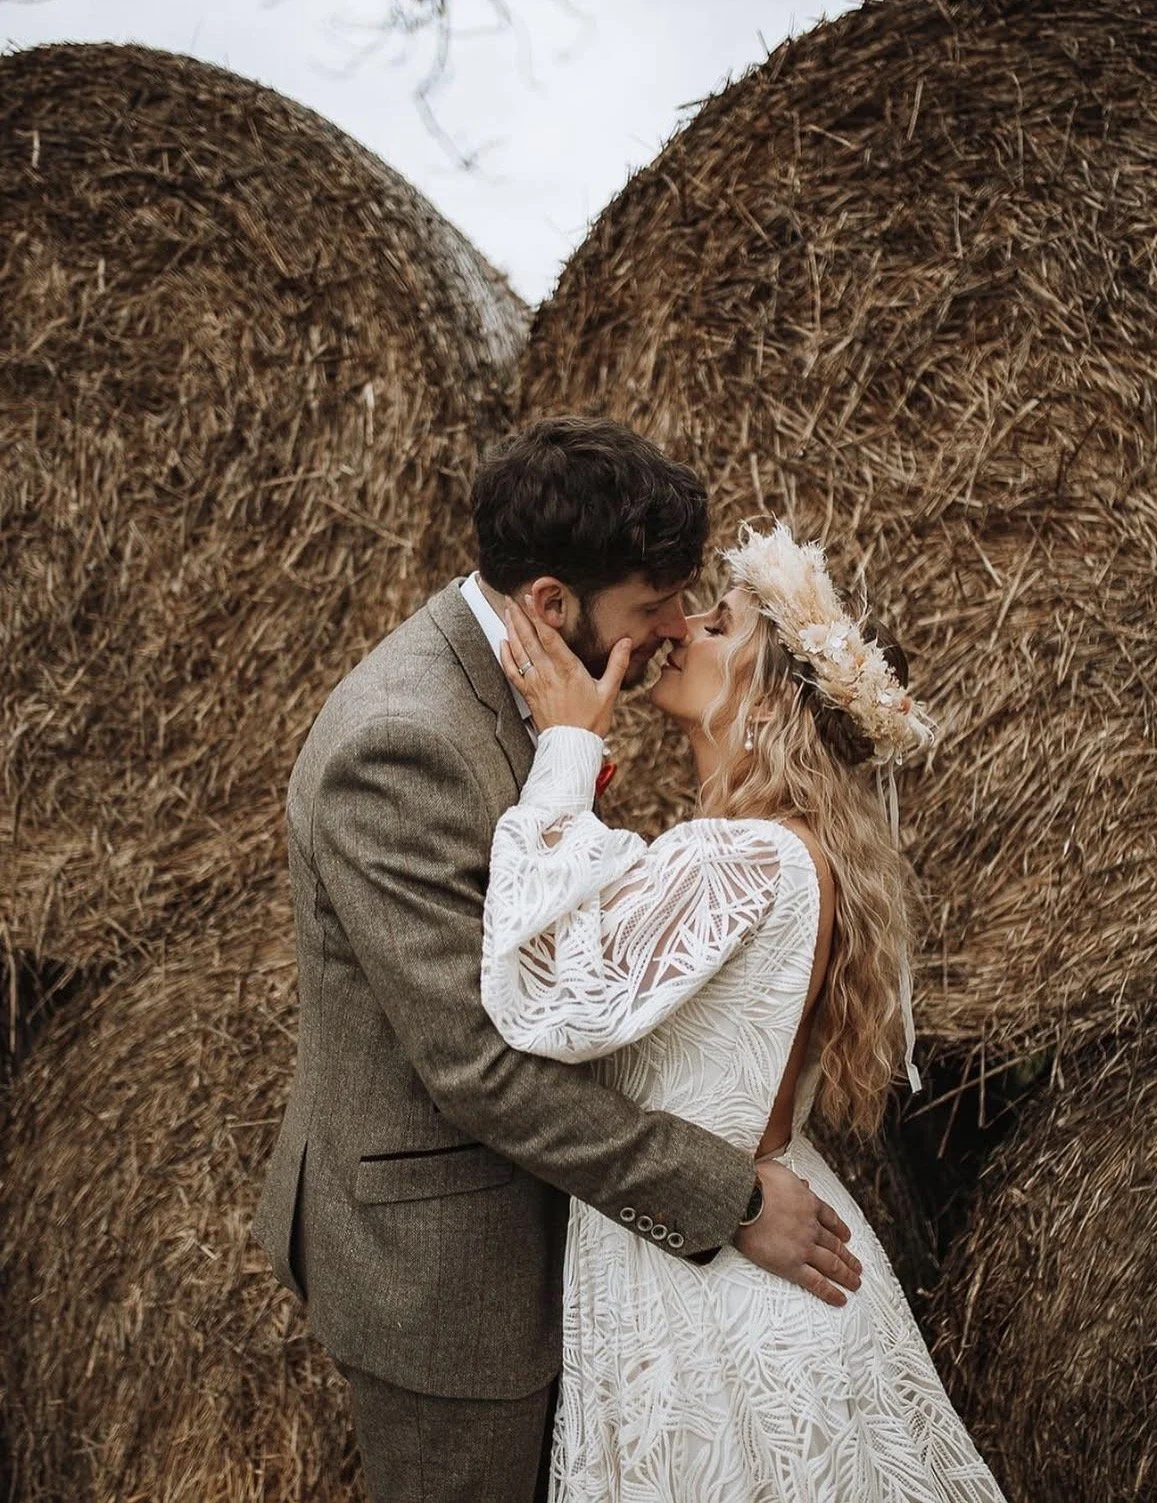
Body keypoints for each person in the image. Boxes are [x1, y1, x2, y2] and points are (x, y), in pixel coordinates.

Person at [253, 420, 862, 1503]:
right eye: (649, 608)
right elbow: (479, 1068)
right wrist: (725, 1197)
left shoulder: (540, 683)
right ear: (548, 602)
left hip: (571, 1233)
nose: (676, 630)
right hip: (451, 1271)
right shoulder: (400, 744)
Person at [481, 520, 1007, 1501]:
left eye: (719, 623)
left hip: (704, 1279)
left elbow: (546, 999)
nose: (680, 626)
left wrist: (560, 753)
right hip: (764, 1238)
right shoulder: (787, 851)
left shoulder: (734, 856)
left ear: (768, 700)